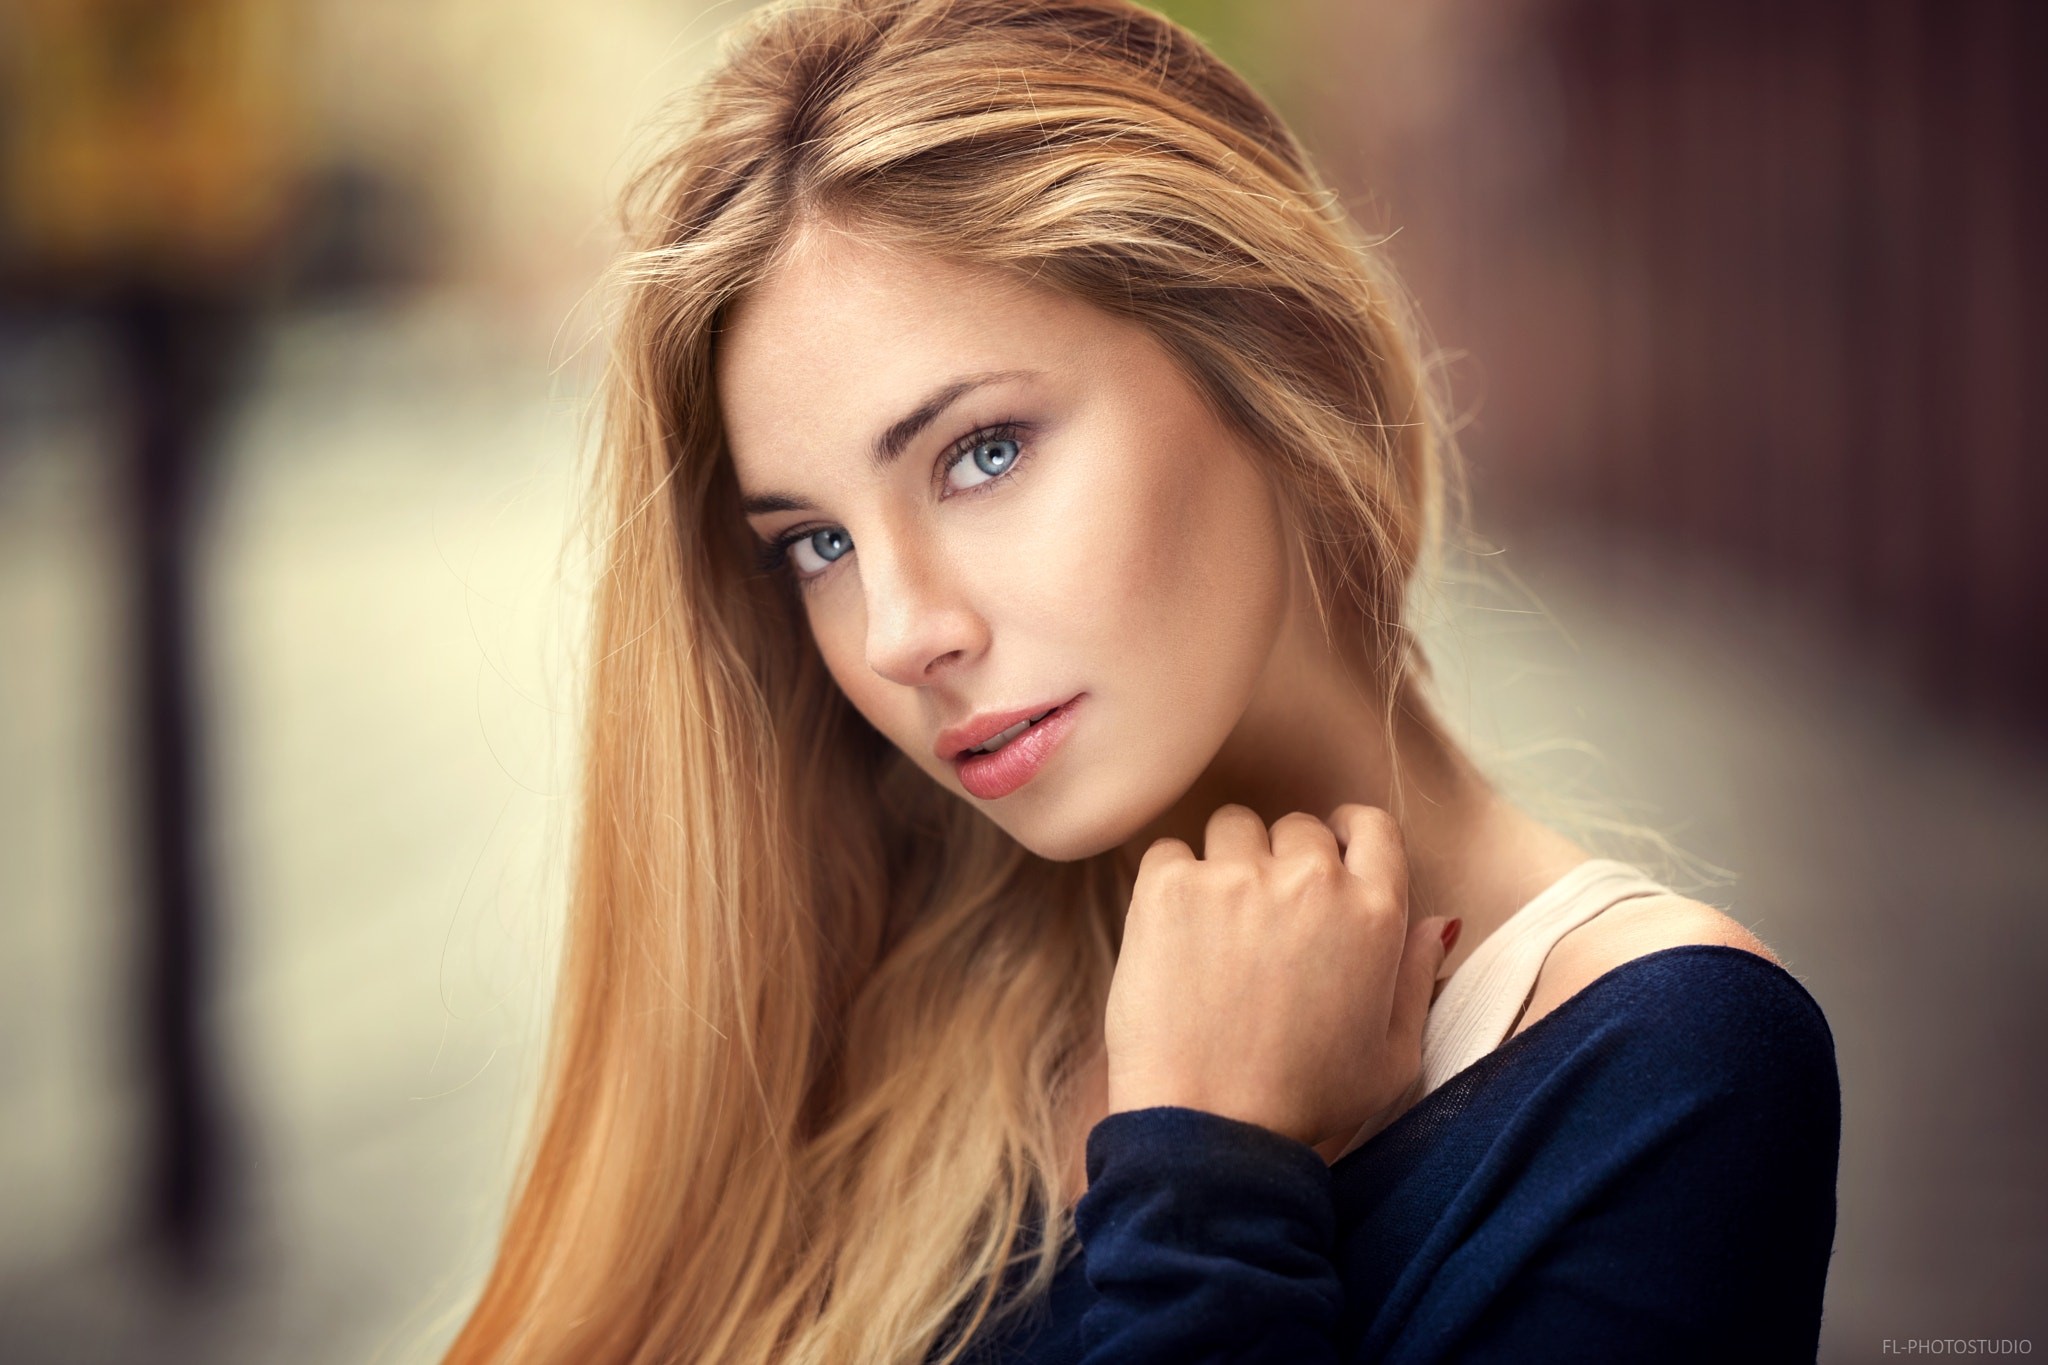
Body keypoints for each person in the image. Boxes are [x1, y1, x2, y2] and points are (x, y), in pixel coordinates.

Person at [443, 1, 1840, 1361]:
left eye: (981, 451)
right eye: (816, 542)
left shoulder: (1671, 1073)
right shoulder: (871, 1021)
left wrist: (1210, 1177)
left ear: (1268, 349)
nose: (895, 632)